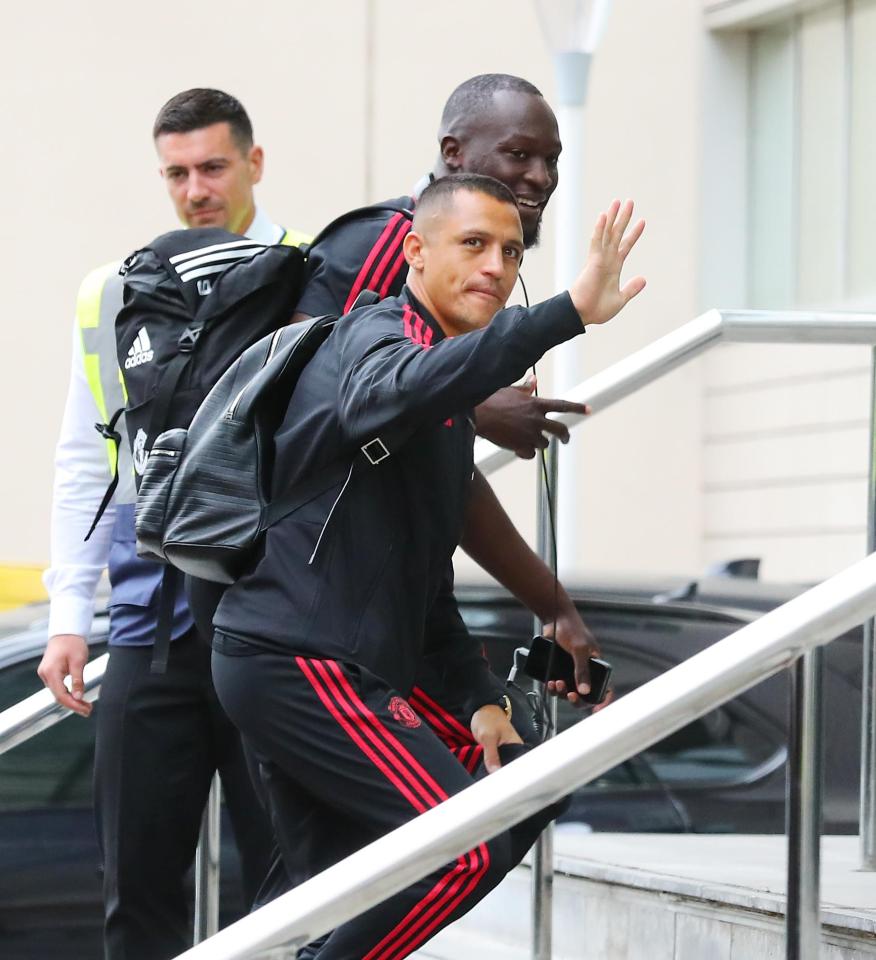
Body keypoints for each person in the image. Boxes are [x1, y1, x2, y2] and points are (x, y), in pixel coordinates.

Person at [212, 174, 646, 959]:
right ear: (413, 250)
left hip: (347, 666)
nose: (495, 266)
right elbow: (403, 384)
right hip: (296, 661)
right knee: (462, 846)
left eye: (511, 252)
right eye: (473, 244)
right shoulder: (371, 341)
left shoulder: (440, 403)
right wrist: (566, 314)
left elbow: (423, 580)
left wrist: (479, 699)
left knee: (522, 787)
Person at [37, 88, 309, 960]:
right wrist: (69, 617)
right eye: (178, 173)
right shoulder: (115, 291)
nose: (197, 189)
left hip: (276, 623)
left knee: (292, 884)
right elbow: (90, 462)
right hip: (152, 623)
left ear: (254, 164)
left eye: (214, 168)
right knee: (136, 886)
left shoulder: (312, 275)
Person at [292, 73, 605, 734]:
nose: (542, 176)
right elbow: (373, 424)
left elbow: (425, 456)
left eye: (551, 161)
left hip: (378, 605)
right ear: (454, 154)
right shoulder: (392, 248)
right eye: (520, 154)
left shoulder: (461, 268)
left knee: (508, 774)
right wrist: (549, 602)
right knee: (497, 785)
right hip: (310, 619)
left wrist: (468, 409)